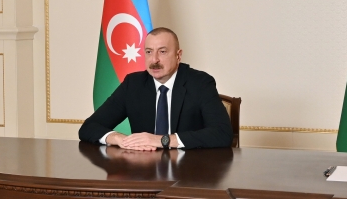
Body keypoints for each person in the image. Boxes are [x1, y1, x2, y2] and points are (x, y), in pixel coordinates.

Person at [79, 27, 233, 150]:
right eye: (149, 52)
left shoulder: (200, 82)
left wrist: (163, 140)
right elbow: (89, 127)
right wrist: (120, 139)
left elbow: (223, 133)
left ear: (178, 56)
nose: (154, 60)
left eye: (162, 52)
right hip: (144, 169)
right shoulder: (133, 84)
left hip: (189, 170)